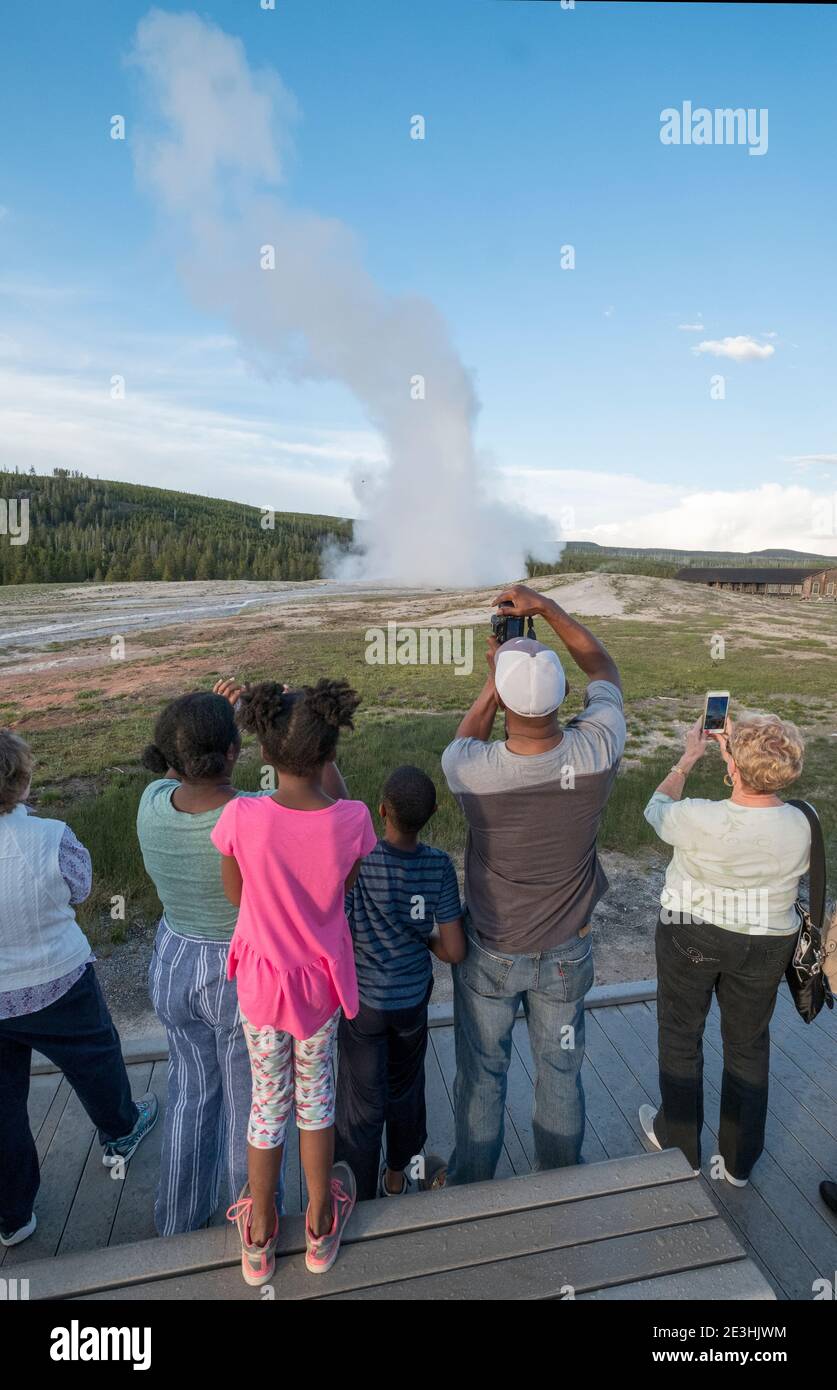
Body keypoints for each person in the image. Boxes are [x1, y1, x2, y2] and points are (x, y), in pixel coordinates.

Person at [138, 679, 345, 1234]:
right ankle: (254, 1212)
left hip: (174, 958)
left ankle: (177, 1221)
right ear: (235, 752)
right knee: (251, 1099)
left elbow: (179, 776)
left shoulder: (152, 803)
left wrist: (208, 721)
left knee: (189, 1091)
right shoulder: (251, 811)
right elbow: (308, 801)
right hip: (236, 973)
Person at [441, 582, 626, 1185]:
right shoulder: (597, 751)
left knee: (482, 1075)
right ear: (564, 693)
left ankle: (472, 1186)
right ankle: (560, 1181)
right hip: (567, 952)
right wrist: (546, 607)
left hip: (492, 951)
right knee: (562, 1069)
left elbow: (466, 737)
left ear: (504, 699)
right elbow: (604, 665)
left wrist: (496, 679)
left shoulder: (472, 770)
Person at [212, 679, 377, 1286]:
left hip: (261, 981)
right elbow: (348, 878)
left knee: (267, 1101)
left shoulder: (242, 814)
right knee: (316, 1100)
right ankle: (317, 1223)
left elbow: (235, 895)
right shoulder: (352, 818)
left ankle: (258, 1233)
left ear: (261, 750)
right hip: (317, 989)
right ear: (332, 750)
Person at [0, 731, 157, 1248]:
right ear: (22, 781)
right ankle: (120, 1131)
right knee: (96, 1059)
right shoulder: (50, 834)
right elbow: (82, 887)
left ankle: (12, 1214)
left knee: (3, 1106)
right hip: (59, 979)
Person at [640, 713, 810, 1186]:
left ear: (731, 767)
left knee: (680, 1034)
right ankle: (737, 1161)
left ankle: (679, 1146)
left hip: (688, 931)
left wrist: (689, 757)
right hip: (766, 941)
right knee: (748, 1044)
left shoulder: (698, 816)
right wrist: (741, 753)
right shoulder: (803, 824)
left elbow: (655, 809)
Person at [335, 765, 465, 1200]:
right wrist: (425, 939)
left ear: (382, 810)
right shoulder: (439, 867)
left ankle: (357, 1192)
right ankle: (396, 1177)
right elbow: (455, 950)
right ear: (431, 815)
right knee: (406, 1089)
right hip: (410, 1002)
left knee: (361, 1099)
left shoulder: (361, 859)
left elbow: (342, 923)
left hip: (364, 1003)